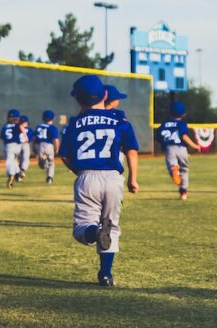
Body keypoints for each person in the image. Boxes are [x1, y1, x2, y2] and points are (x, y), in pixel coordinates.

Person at [59, 75, 139, 287]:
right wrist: (133, 179)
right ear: (105, 95)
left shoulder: (74, 124)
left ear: (78, 100)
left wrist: (80, 172)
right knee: (111, 227)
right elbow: (131, 150)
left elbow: (65, 155)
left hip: (87, 176)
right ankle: (105, 275)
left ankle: (95, 232)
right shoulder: (120, 120)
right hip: (114, 178)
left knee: (82, 229)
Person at [156, 101, 201, 200]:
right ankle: (183, 193)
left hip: (170, 148)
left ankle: (173, 170)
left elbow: (158, 136)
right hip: (182, 149)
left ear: (170, 112)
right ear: (184, 114)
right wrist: (194, 145)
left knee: (172, 165)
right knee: (184, 170)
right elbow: (183, 136)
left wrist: (164, 143)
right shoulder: (181, 124)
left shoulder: (164, 124)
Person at [0, 108, 23, 188]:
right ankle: (18, 172)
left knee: (10, 162)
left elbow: (2, 137)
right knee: (14, 161)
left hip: (9, 146)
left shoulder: (5, 127)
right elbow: (22, 130)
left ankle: (11, 176)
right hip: (18, 146)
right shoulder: (17, 126)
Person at [36, 110, 60, 184]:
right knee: (51, 163)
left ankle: (43, 161)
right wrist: (57, 149)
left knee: (42, 164)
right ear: (52, 118)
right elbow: (56, 140)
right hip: (49, 145)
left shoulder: (39, 127)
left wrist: (34, 147)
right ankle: (50, 177)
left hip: (40, 145)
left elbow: (34, 139)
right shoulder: (53, 128)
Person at [17, 114, 34, 181]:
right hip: (25, 145)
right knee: (25, 159)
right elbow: (31, 138)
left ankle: (18, 175)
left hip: (17, 145)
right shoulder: (29, 130)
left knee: (20, 160)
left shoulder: (16, 129)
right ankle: (22, 171)